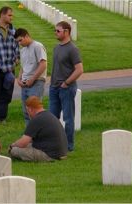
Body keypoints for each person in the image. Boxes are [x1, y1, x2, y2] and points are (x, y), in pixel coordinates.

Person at [49, 21, 83, 152]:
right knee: (52, 118)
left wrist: (66, 83)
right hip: (54, 88)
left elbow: (79, 69)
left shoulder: (73, 49)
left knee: (68, 118)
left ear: (66, 32)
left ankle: (69, 145)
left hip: (66, 88)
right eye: (55, 30)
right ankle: (54, 143)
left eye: (58, 31)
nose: (55, 33)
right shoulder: (56, 48)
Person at [8, 96, 67, 162]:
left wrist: (12, 145)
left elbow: (23, 143)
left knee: (14, 150)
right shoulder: (49, 115)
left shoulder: (36, 119)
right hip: (61, 153)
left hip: (50, 155)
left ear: (30, 109)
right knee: (27, 145)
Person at [14, 28, 47, 126]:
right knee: (26, 112)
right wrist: (18, 79)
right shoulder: (23, 50)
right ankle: (29, 135)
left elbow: (43, 64)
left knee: (35, 111)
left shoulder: (38, 46)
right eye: (18, 41)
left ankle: (38, 135)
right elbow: (23, 67)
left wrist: (32, 79)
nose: (20, 43)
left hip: (36, 82)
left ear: (27, 36)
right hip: (25, 84)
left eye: (21, 40)